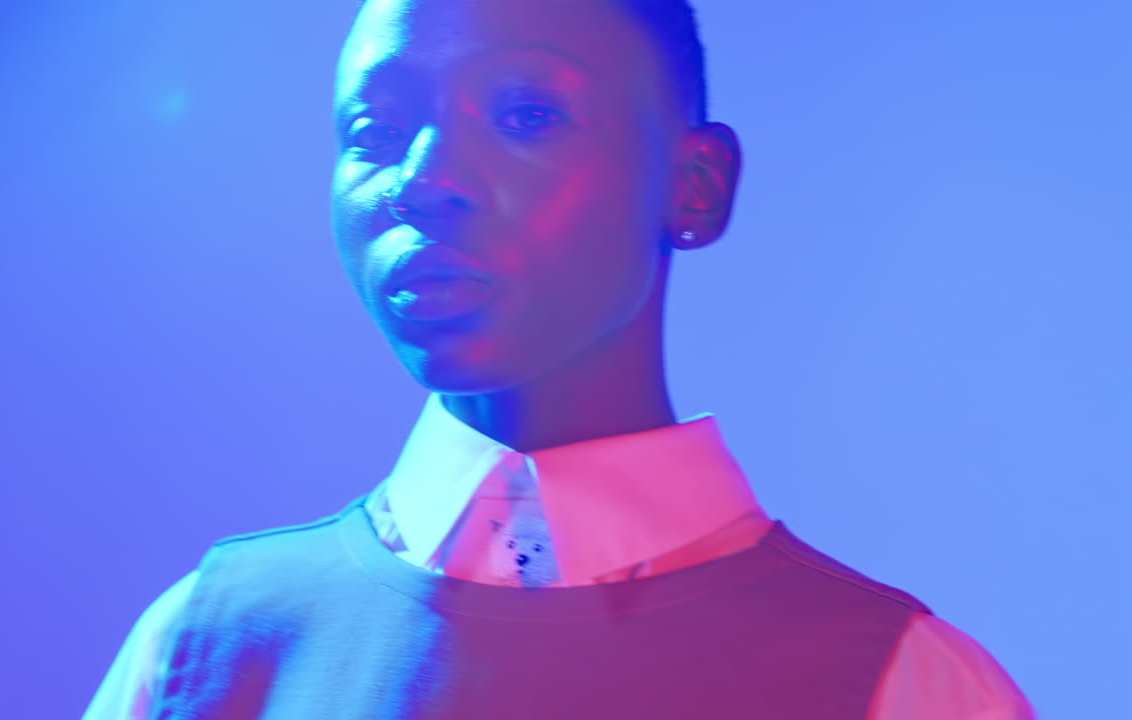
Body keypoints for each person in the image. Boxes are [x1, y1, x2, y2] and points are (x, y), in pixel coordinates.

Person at [83, 0, 1036, 717]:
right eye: (374, 132)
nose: (426, 181)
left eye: (526, 116)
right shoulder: (206, 651)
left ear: (695, 185)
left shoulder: (898, 685)